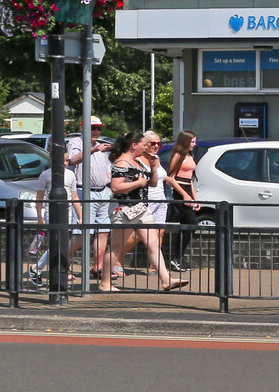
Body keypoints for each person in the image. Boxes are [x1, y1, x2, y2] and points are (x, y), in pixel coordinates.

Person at [108, 131, 183, 292]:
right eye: (144, 144)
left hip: (141, 209)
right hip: (124, 209)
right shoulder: (122, 163)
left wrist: (154, 168)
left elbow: (153, 184)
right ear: (134, 145)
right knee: (116, 247)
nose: (147, 147)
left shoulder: (139, 162)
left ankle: (165, 280)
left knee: (153, 244)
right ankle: (105, 282)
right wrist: (139, 183)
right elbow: (116, 187)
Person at [66, 120, 115, 286]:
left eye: (98, 129)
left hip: (102, 192)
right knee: (81, 233)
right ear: (83, 128)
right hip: (84, 191)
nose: (96, 132)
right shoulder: (76, 142)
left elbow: (108, 167)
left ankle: (98, 267)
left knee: (103, 231)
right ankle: (62, 264)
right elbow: (73, 159)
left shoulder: (102, 146)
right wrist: (93, 149)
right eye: (92, 128)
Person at [161, 130, 199, 271]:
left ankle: (180, 258)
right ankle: (176, 258)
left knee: (187, 225)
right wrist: (184, 195)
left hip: (188, 189)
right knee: (192, 223)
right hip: (180, 191)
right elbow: (171, 178)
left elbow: (191, 179)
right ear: (186, 142)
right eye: (192, 142)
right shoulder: (178, 155)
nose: (194, 144)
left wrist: (195, 198)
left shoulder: (190, 155)